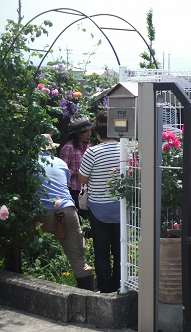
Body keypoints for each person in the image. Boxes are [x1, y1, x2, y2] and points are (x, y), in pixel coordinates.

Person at [37, 134, 94, 291]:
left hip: (39, 213)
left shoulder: (29, 164)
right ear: (52, 150)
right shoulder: (61, 163)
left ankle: (14, 271)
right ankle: (88, 297)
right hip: (67, 211)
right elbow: (65, 183)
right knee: (78, 259)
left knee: (16, 241)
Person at [79, 111, 121, 293]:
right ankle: (120, 285)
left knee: (102, 253)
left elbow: (82, 179)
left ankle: (105, 289)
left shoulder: (92, 152)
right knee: (120, 252)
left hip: (98, 210)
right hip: (121, 209)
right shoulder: (126, 149)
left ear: (97, 132)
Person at [59, 114, 93, 218]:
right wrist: (78, 173)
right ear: (78, 133)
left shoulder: (89, 146)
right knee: (79, 216)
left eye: (90, 131)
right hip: (74, 188)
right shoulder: (68, 148)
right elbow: (63, 170)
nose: (89, 134)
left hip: (88, 188)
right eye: (85, 132)